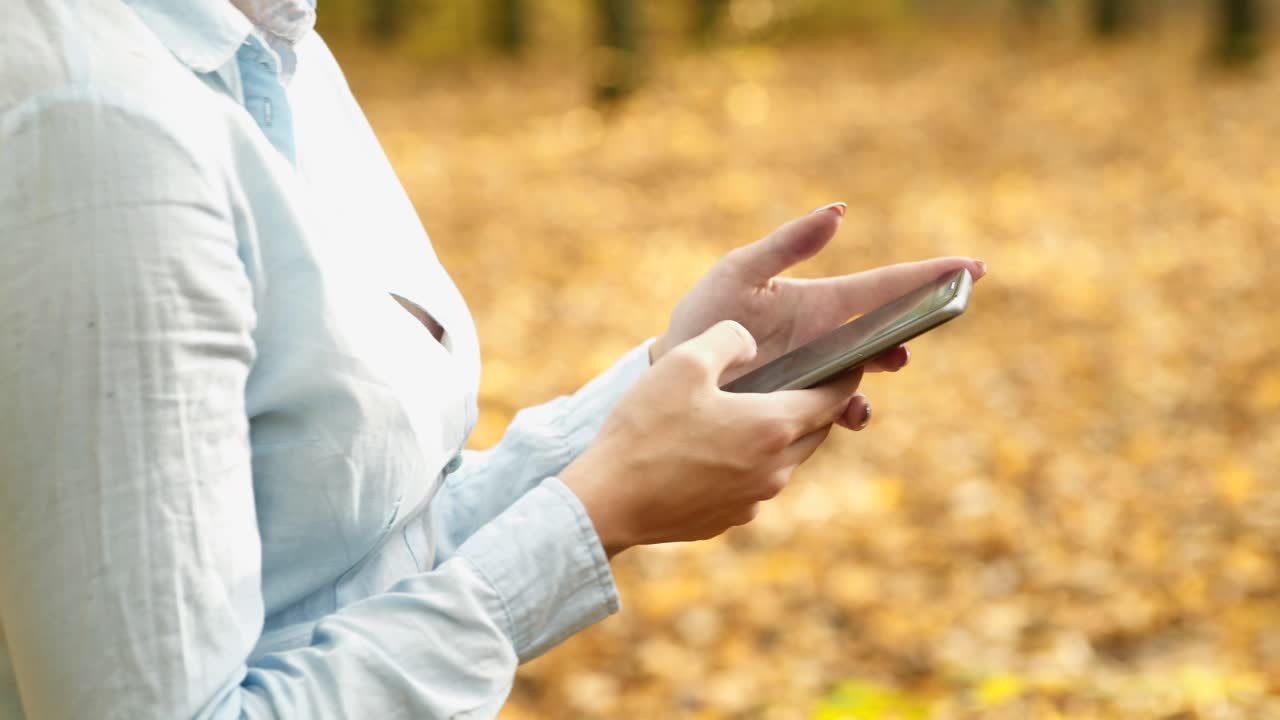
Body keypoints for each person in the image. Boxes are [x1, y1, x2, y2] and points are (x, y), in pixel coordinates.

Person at [0, 1, 986, 718]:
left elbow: (352, 548)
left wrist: (652, 390)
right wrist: (592, 519)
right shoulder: (97, 121)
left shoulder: (281, 46)